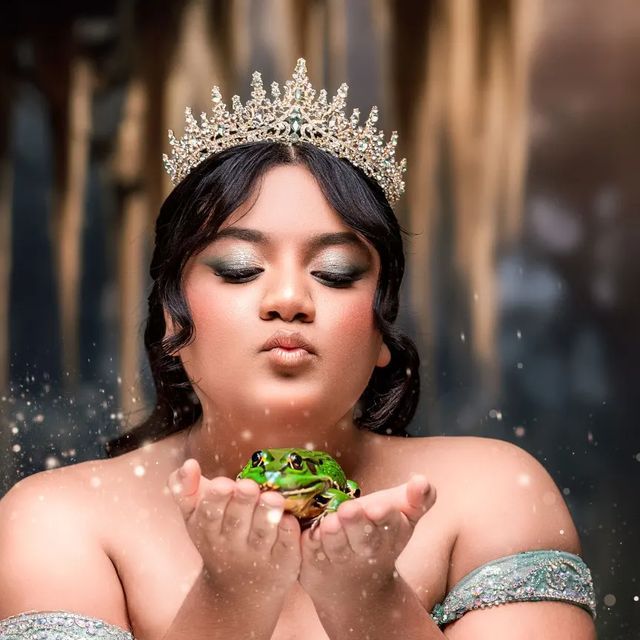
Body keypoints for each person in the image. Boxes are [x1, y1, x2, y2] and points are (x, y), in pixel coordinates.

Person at [0, 59, 596, 640]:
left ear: (381, 330)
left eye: (335, 273)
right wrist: (229, 598)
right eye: (239, 269)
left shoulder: (491, 493)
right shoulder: (58, 520)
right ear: (169, 319)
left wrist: (372, 602)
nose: (289, 298)